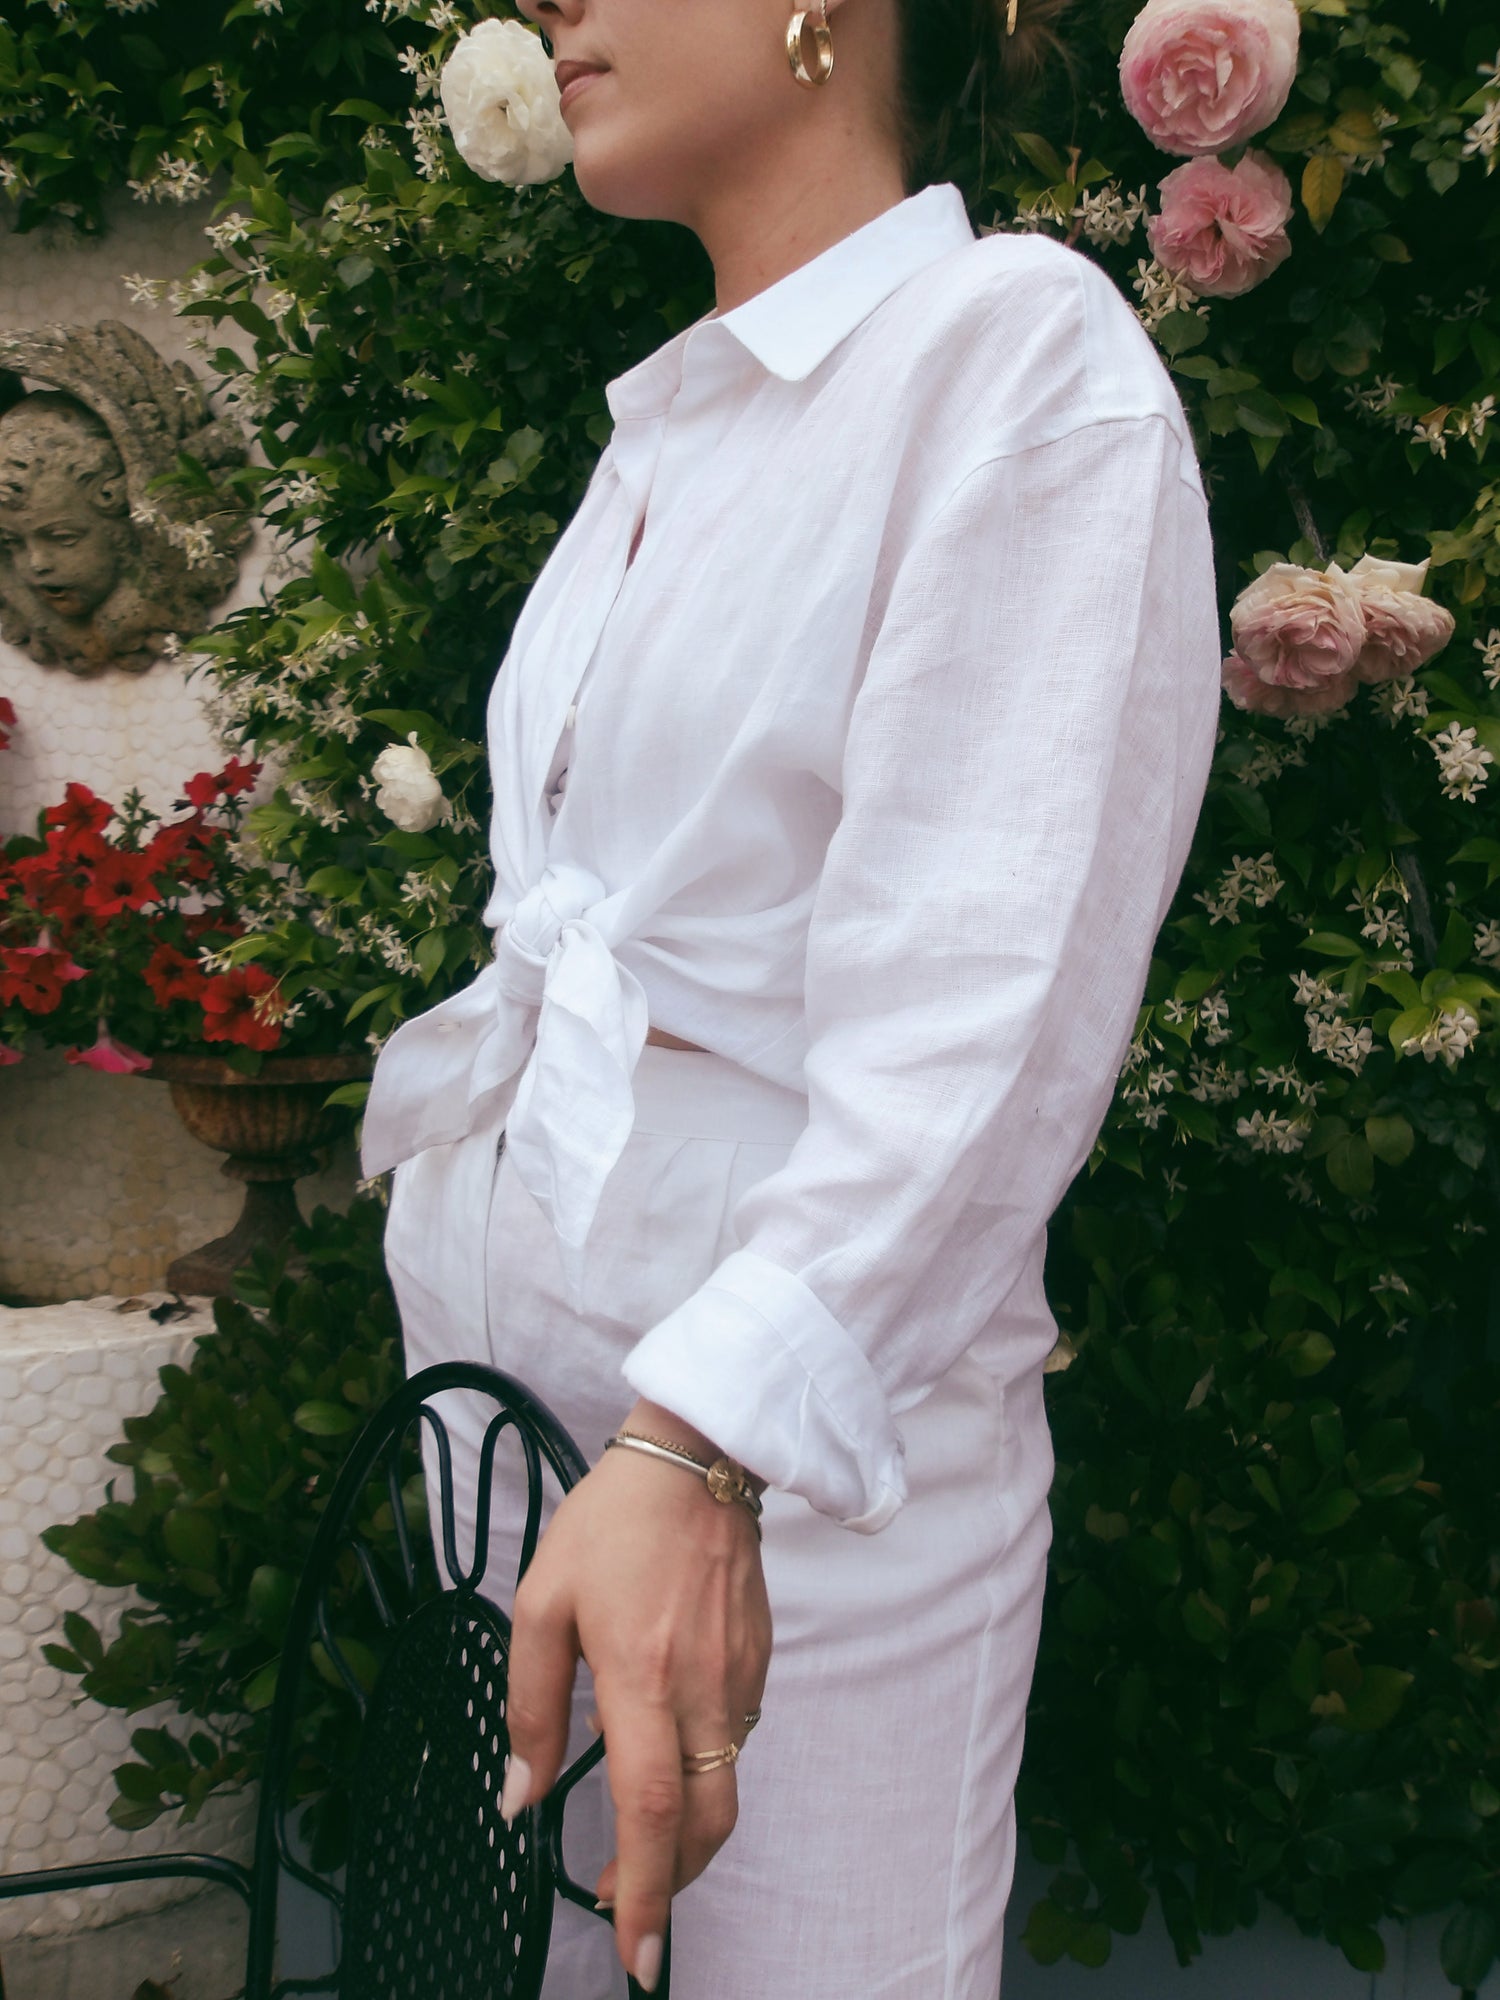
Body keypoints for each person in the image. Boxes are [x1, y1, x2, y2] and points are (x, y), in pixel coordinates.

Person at [364, 0, 1222, 1992]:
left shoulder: (1008, 355)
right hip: (518, 1498)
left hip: (789, 1516)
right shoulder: (672, 428)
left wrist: (699, 1440)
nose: (550, 4)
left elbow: (984, 1018)